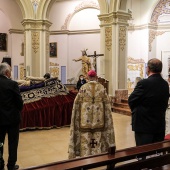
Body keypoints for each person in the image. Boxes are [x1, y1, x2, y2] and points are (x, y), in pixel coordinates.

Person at [68, 70, 115, 159]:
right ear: (96, 77)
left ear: (88, 77)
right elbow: (107, 105)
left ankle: (85, 157)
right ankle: (98, 156)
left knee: (86, 140)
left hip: (84, 122)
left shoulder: (83, 88)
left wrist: (76, 117)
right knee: (97, 139)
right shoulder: (101, 88)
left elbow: (76, 104)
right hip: (99, 121)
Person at [128, 58, 169, 147]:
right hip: (159, 125)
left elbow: (131, 100)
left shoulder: (144, 83)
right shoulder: (165, 84)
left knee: (143, 154)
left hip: (143, 126)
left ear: (148, 68)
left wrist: (136, 110)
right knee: (156, 153)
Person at [0, 63, 23, 170]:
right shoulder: (12, 84)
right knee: (13, 143)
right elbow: (19, 102)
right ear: (7, 72)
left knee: (0, 143)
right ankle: (11, 165)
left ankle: (0, 164)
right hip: (12, 119)